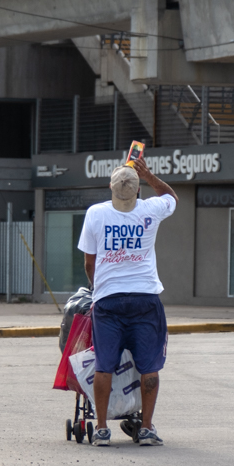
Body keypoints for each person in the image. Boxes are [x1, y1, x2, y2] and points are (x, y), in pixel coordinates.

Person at [78, 158, 177, 447]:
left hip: (108, 300)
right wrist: (148, 175)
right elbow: (171, 196)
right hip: (145, 299)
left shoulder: (96, 213)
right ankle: (146, 428)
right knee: (149, 367)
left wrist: (97, 286)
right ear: (137, 190)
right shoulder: (151, 209)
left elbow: (88, 261)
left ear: (111, 186)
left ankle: (101, 429)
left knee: (104, 365)